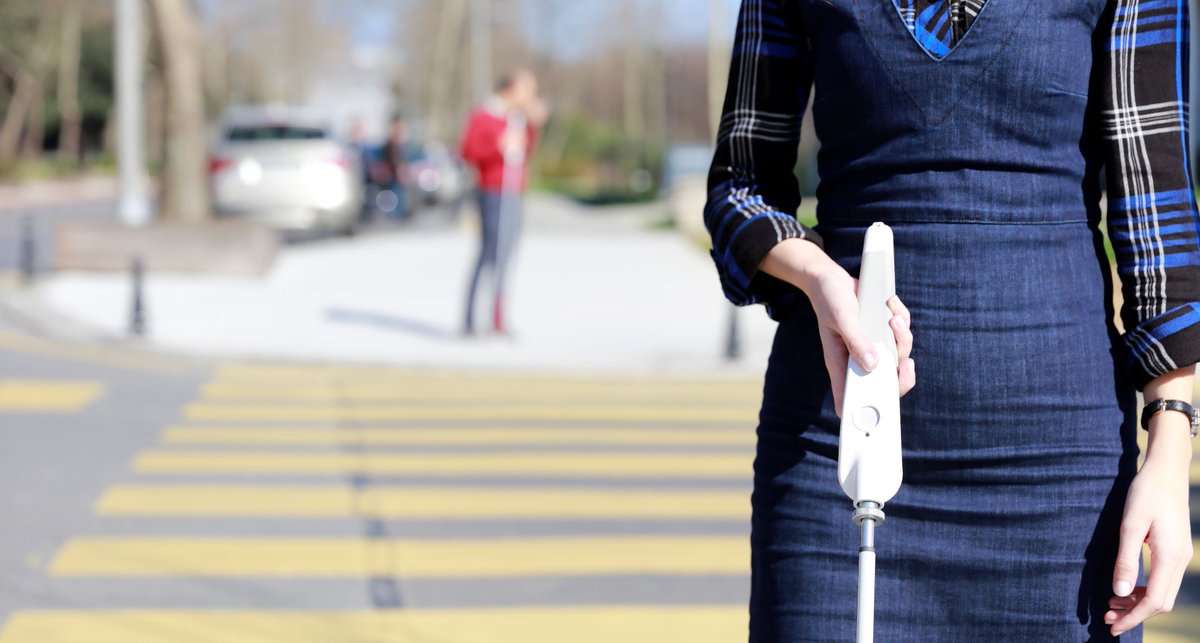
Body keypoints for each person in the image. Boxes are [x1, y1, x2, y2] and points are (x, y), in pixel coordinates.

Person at [704, 0, 1198, 640]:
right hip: (837, 447)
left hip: (1059, 474)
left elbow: (1156, 210)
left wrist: (1170, 444)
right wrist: (820, 277)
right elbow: (740, 189)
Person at [459, 68, 548, 337]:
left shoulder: (519, 119)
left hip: (514, 191)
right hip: (491, 190)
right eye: (526, 89)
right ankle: (470, 318)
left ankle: (498, 317)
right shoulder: (485, 115)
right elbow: (468, 151)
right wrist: (497, 145)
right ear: (510, 88)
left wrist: (533, 127)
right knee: (488, 252)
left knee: (507, 254)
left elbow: (525, 152)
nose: (530, 96)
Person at [381, 115, 411, 220]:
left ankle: (400, 212)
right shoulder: (392, 142)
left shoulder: (399, 142)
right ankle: (396, 214)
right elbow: (393, 159)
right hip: (392, 173)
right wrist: (398, 170)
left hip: (397, 172)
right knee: (396, 192)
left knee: (400, 192)